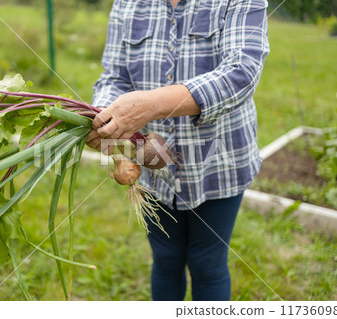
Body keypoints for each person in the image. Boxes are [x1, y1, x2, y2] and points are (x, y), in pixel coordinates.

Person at [87, 0, 270, 301]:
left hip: (218, 163)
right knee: (166, 258)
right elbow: (113, 77)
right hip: (150, 165)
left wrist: (150, 106)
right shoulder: (127, 4)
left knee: (207, 265)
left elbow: (241, 73)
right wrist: (107, 119)